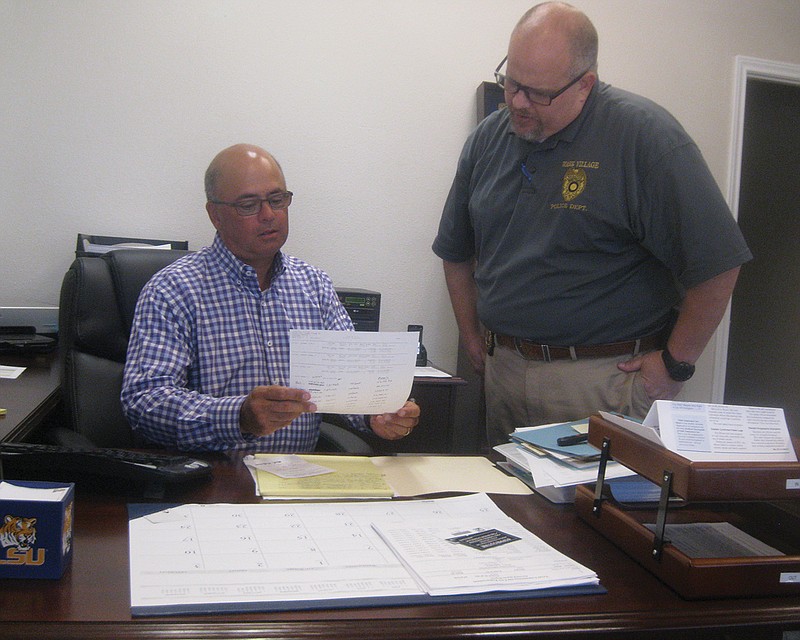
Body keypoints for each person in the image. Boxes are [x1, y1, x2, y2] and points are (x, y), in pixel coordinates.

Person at [432, 2, 752, 445]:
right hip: (503, 372)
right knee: (508, 508)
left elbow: (719, 264)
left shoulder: (645, 138)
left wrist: (677, 364)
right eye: (512, 84)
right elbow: (455, 251)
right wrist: (470, 335)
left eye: (538, 93)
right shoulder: (489, 138)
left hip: (604, 381)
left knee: (594, 513)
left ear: (586, 84)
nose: (518, 103)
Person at [122, 143, 419, 452]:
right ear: (215, 215)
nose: (268, 215)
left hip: (300, 480)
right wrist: (238, 417)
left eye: (277, 200)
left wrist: (379, 413)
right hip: (211, 479)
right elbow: (145, 401)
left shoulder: (314, 285)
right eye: (248, 205)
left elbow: (347, 384)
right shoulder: (173, 289)